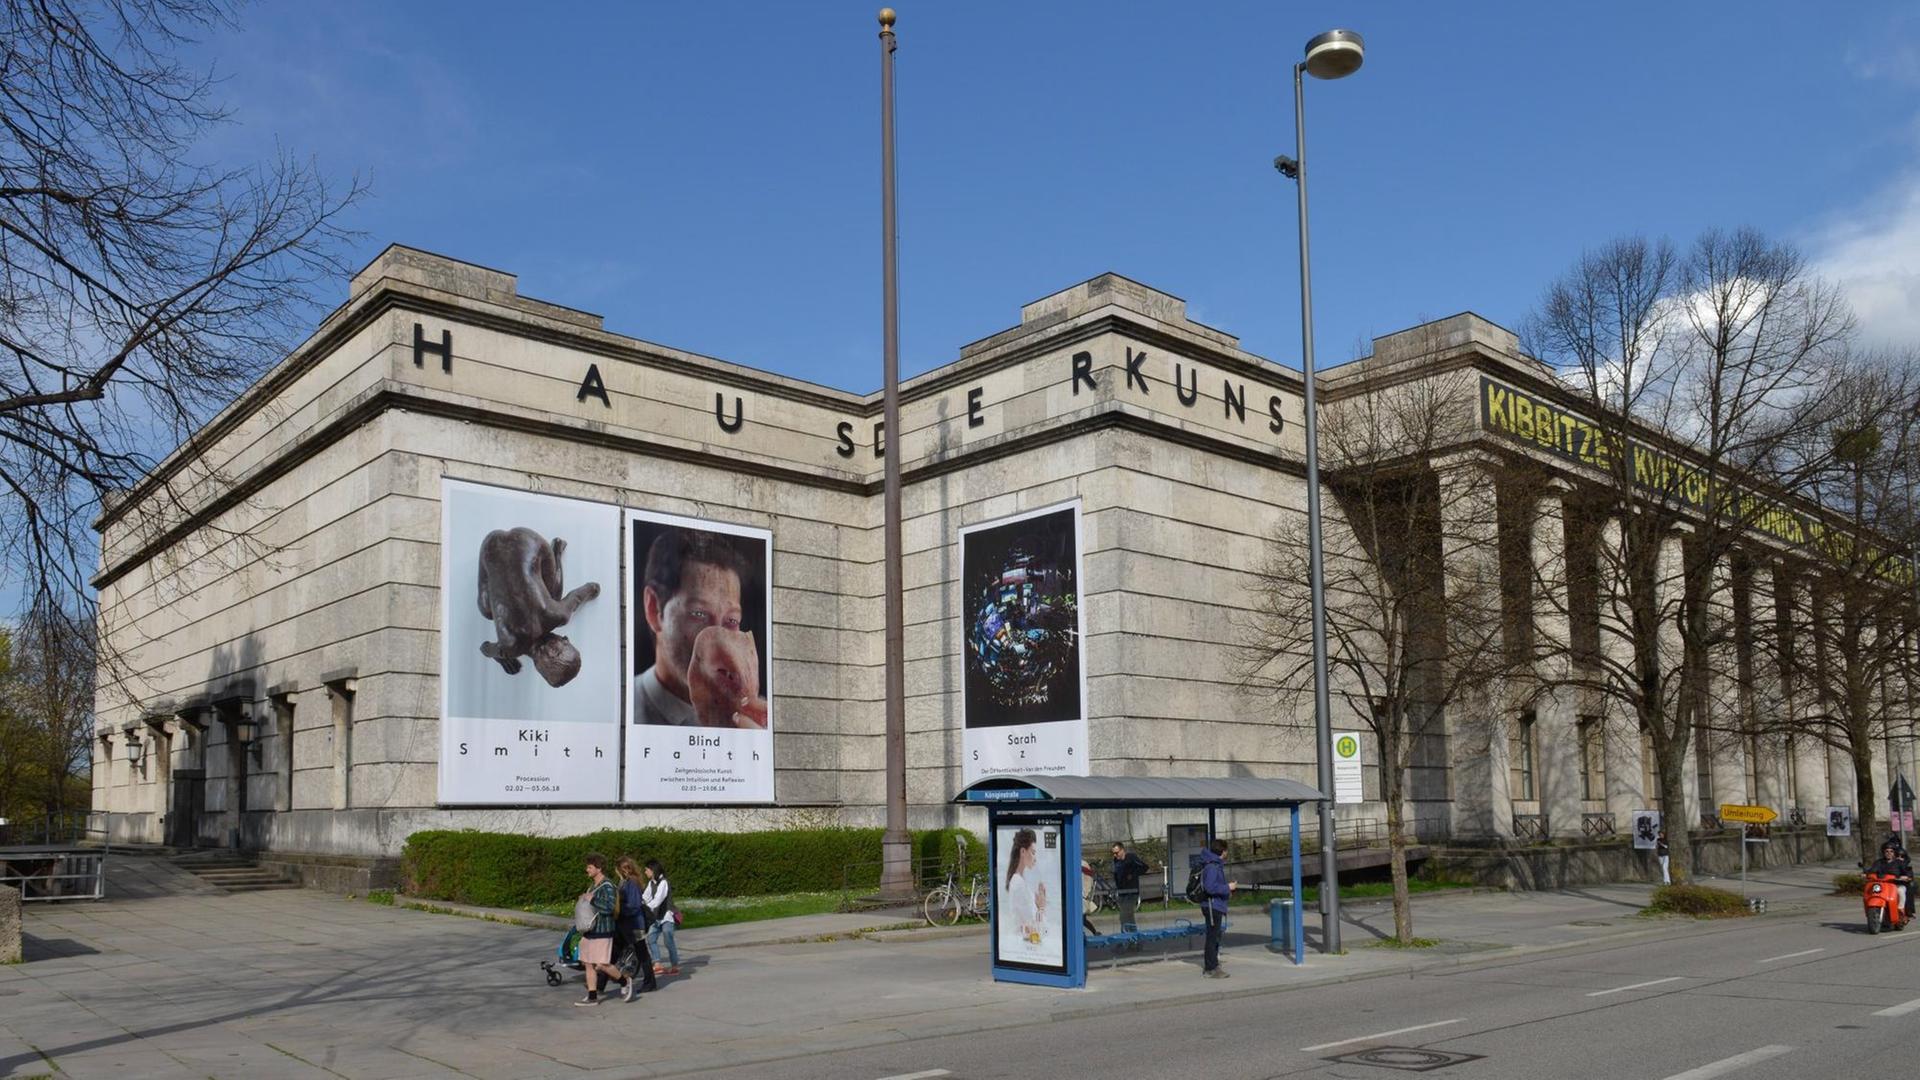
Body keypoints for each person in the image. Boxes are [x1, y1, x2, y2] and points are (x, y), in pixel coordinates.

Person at [632, 529, 769, 729]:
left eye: (731, 620)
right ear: (654, 609)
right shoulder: (621, 707)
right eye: (699, 614)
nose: (719, 641)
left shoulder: (760, 718)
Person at [575, 853, 629, 1006]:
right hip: (589, 931)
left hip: (603, 930)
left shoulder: (608, 886)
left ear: (598, 868)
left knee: (602, 964)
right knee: (588, 963)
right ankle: (592, 996)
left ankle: (624, 981)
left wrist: (592, 899)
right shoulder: (593, 886)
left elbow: (610, 907)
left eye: (590, 867)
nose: (587, 869)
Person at [615, 857, 657, 995]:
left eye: (618, 869)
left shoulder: (631, 882)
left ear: (624, 869)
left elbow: (634, 905)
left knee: (642, 953)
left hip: (636, 925)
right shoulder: (626, 882)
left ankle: (650, 982)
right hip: (630, 924)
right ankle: (601, 982)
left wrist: (619, 910)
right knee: (629, 951)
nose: (616, 872)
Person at [1198, 839, 1235, 979]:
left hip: (1215, 905)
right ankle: (1210, 969)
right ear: (1223, 851)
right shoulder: (1212, 866)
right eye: (1226, 850)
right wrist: (1227, 887)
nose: (1227, 853)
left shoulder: (1214, 864)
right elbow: (1210, 887)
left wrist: (1227, 891)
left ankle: (1214, 964)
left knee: (1215, 936)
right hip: (1212, 906)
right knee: (1212, 937)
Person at [643, 858, 681, 976]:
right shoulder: (651, 883)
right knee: (651, 938)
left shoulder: (664, 882)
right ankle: (658, 964)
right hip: (656, 917)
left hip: (666, 916)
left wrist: (646, 908)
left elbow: (658, 900)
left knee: (668, 939)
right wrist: (639, 904)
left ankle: (675, 966)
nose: (645, 872)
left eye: (646, 870)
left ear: (653, 870)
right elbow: (645, 897)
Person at [1867, 841, 1913, 920]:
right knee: (1871, 890)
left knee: (1900, 890)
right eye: (1887, 851)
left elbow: (1907, 871)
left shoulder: (1899, 862)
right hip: (1883, 885)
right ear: (1883, 852)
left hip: (1896, 884)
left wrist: (1906, 876)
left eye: (1891, 851)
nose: (1889, 853)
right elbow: (1872, 870)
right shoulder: (1879, 862)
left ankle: (1900, 908)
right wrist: (1866, 874)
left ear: (1894, 852)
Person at [1111, 842, 1148, 934]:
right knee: (1127, 916)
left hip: (1132, 891)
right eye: (1113, 853)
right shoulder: (1116, 861)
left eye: (1117, 852)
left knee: (1125, 914)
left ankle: (1128, 934)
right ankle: (1132, 935)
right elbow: (1116, 874)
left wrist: (1133, 874)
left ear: (1122, 850)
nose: (1115, 855)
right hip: (1122, 892)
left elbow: (1145, 867)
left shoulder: (1131, 858)